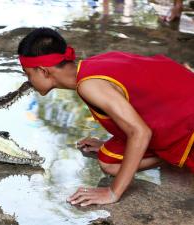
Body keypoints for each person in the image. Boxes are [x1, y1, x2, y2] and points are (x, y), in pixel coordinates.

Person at [17, 28, 194, 206]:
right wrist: (105, 143)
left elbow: (140, 131)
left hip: (189, 121)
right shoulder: (92, 66)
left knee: (114, 164)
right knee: (108, 159)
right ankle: (173, 153)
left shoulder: (89, 86)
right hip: (180, 108)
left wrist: (113, 191)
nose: (27, 80)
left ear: (43, 71)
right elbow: (145, 102)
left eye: (27, 73)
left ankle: (179, 153)